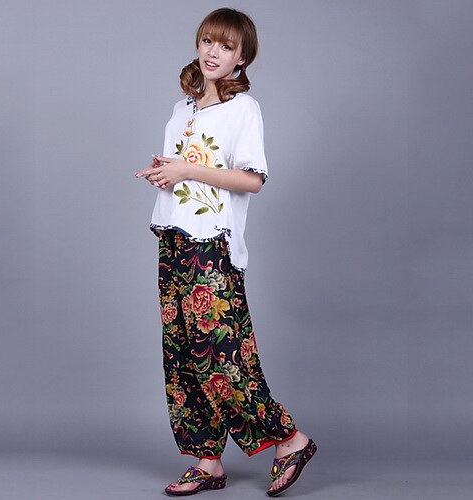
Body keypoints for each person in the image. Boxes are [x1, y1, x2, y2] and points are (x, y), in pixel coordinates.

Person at [135, 7, 317, 497]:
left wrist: (186, 170)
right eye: (207, 41)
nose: (213, 52)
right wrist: (165, 171)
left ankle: (290, 439)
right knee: (182, 355)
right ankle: (207, 460)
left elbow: (252, 179)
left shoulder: (243, 110)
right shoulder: (182, 110)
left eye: (226, 46)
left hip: (211, 243)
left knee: (223, 353)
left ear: (242, 58)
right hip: (173, 238)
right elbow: (187, 169)